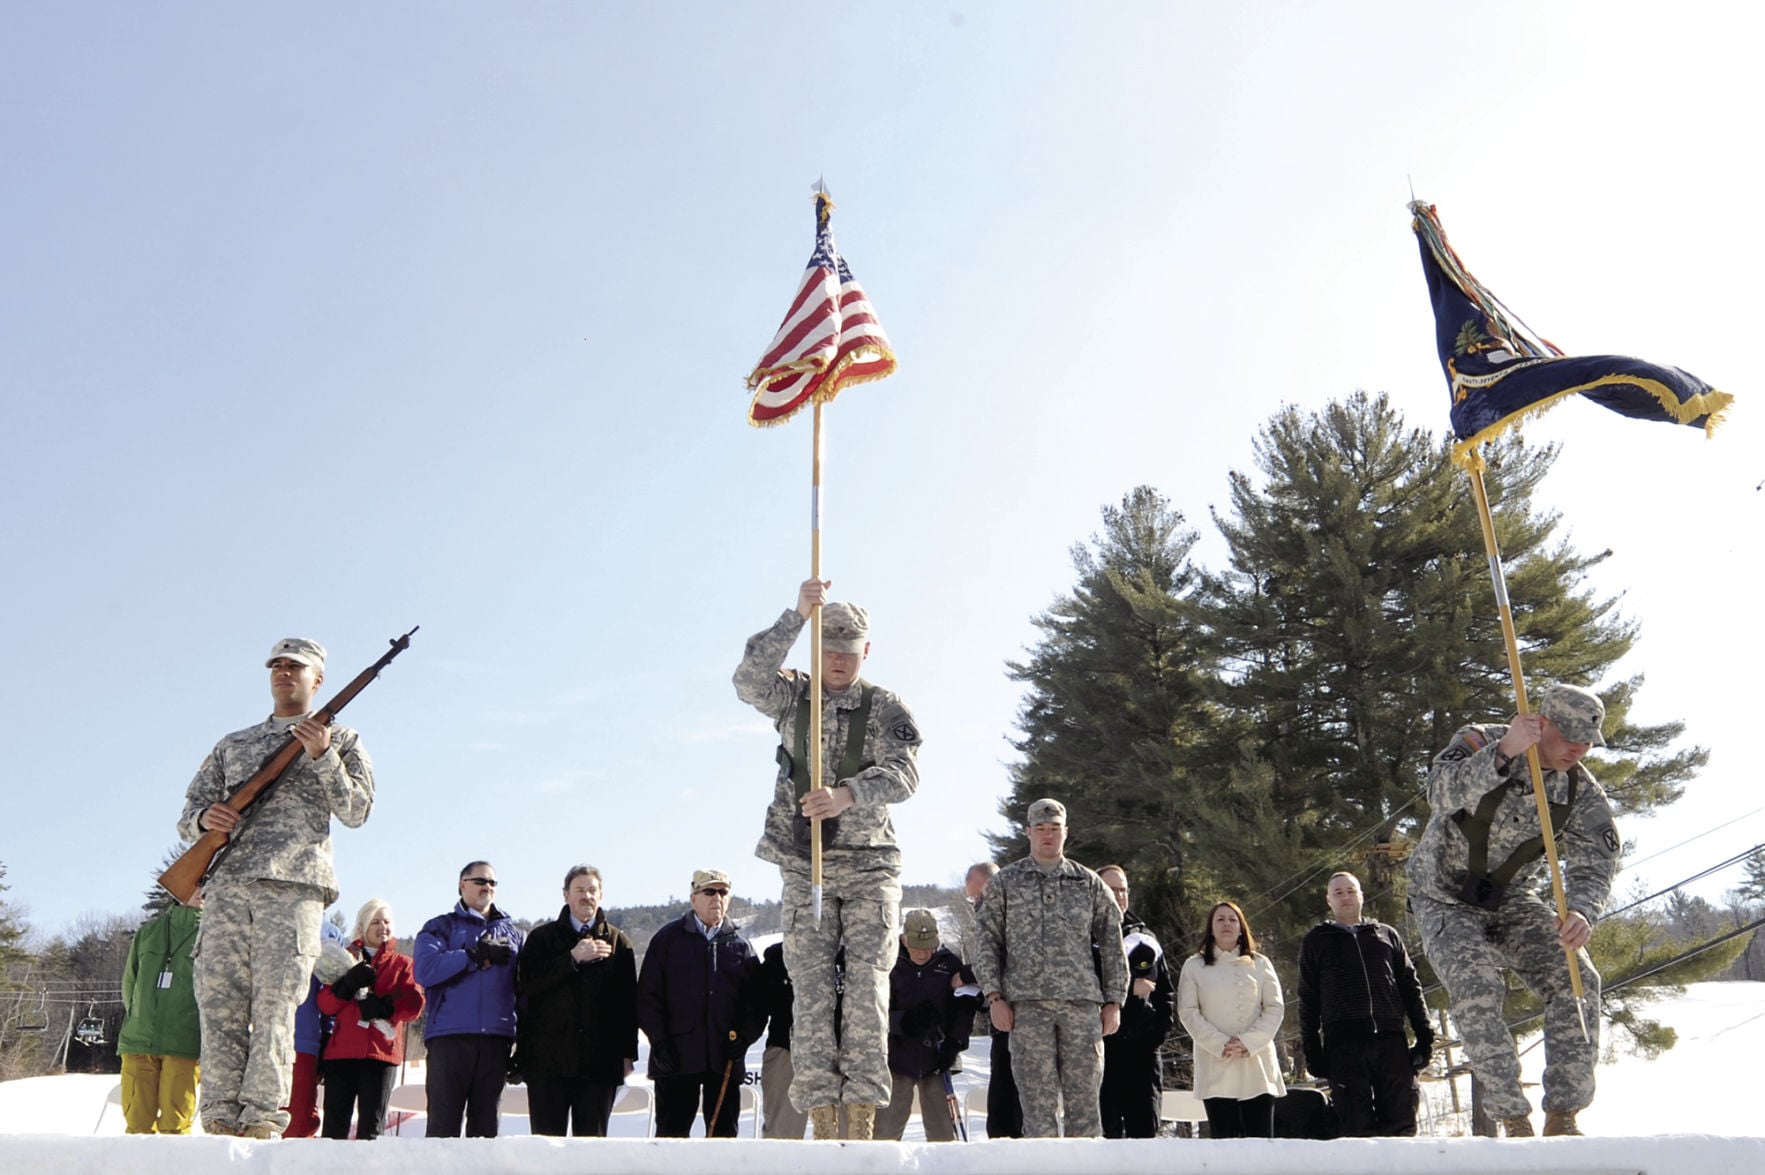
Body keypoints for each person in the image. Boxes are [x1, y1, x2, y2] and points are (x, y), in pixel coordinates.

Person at [733, 579, 924, 1140]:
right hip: (804, 863)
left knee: (867, 985)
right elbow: (747, 681)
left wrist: (847, 794)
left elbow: (906, 774)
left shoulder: (887, 707)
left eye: (849, 651)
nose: (839, 660)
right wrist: (796, 616)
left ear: (866, 651)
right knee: (810, 988)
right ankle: (820, 1107)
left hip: (869, 866)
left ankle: (862, 1110)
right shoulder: (793, 695)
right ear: (816, 651)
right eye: (829, 650)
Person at [175, 637, 374, 1138]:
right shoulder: (234, 744)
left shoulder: (342, 739)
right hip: (226, 889)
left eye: (296, 667)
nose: (284, 673)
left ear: (318, 680)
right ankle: (218, 1115)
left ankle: (262, 1117)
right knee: (220, 1004)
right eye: (278, 666)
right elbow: (187, 816)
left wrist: (323, 755)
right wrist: (205, 818)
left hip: (293, 888)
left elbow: (357, 812)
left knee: (276, 1007)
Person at [1408, 684, 1619, 1138]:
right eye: (1569, 738)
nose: (1578, 750)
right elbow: (1439, 793)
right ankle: (1512, 1118)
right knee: (1477, 984)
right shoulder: (1483, 741)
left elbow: (1596, 859)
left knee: (1577, 980)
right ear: (1543, 725)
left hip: (1508, 898)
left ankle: (1563, 1116)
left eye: (1587, 742)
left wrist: (1583, 910)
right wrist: (1503, 753)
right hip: (1442, 894)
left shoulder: (1579, 789)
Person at [973, 798, 1127, 1138]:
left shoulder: (1087, 883)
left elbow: (1113, 944)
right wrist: (994, 996)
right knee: (1036, 1109)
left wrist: (1114, 1001)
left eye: (1054, 829)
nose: (1047, 836)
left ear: (1065, 832)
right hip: (1027, 1009)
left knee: (1085, 1108)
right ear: (1028, 832)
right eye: (1041, 829)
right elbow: (985, 942)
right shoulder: (1006, 883)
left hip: (1082, 1007)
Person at [1297, 871, 1433, 1137]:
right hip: (1343, 1046)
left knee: (1401, 1123)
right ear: (1329, 901)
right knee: (1355, 1127)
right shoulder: (1317, 940)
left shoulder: (1387, 936)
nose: (1345, 896)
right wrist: (1312, 1050)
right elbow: (1308, 999)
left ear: (1361, 895)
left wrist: (1426, 1036)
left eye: (1350, 890)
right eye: (1338, 892)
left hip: (1391, 1040)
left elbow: (1410, 987)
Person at [636, 869, 763, 1137]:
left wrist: (745, 1037)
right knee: (671, 1139)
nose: (717, 897)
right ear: (694, 898)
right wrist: (659, 1042)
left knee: (724, 1139)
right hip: (675, 1059)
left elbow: (756, 1003)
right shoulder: (667, 940)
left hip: (724, 1059)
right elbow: (648, 996)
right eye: (709, 892)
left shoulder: (742, 947)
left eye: (723, 892)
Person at [516, 865, 639, 1137]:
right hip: (548, 1063)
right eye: (580, 890)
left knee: (591, 1153)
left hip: (600, 1064)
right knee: (546, 1149)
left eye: (592, 890)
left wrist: (628, 1054)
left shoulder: (620, 943)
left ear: (601, 895)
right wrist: (571, 959)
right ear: (566, 895)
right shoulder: (541, 939)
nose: (587, 896)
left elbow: (629, 1005)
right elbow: (527, 986)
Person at [413, 861, 524, 1138]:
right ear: (462, 885)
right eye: (480, 881)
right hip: (449, 1037)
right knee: (442, 1128)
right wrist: (472, 955)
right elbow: (425, 970)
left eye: (493, 883)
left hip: (496, 1039)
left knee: (486, 1131)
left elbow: (525, 992)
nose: (487, 887)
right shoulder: (439, 927)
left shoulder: (515, 935)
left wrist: (525, 1044)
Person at [315, 899, 424, 1140]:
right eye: (375, 921)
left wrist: (385, 1007)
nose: (382, 927)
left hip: (380, 1055)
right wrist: (347, 984)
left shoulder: (403, 964)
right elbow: (325, 1004)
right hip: (341, 1054)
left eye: (386, 921)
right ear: (363, 925)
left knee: (371, 1130)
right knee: (334, 1129)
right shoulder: (344, 958)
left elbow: (414, 1005)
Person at [1176, 900, 1286, 1138]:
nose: (1227, 924)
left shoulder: (1260, 963)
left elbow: (1274, 1007)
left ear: (1241, 926)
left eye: (1232, 919)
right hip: (1216, 1062)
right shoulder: (1194, 966)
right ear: (1211, 928)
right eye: (1220, 919)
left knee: (1259, 1143)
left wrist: (1248, 1042)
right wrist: (1220, 1044)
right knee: (1223, 1143)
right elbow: (1188, 1010)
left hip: (1256, 1063)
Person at [875, 909, 978, 1142]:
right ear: (904, 938)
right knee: (885, 1132)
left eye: (928, 946)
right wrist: (904, 1021)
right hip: (897, 1059)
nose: (923, 953)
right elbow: (874, 1010)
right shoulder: (889, 962)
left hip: (938, 1059)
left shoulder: (948, 963)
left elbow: (964, 1007)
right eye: (917, 946)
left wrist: (955, 1043)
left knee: (943, 1133)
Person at [1096, 865, 1175, 1139]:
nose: (1119, 896)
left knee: (1145, 1138)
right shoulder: (1081, 936)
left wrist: (1158, 1034)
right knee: (1105, 1138)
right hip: (1100, 1050)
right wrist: (1129, 989)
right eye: (1111, 889)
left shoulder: (1145, 936)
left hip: (1143, 1052)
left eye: (1123, 890)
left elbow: (1165, 992)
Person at [117, 893, 203, 1134]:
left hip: (184, 1044)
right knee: (137, 1124)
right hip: (138, 1042)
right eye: (198, 884)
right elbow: (129, 983)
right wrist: (137, 1019)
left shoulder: (215, 934)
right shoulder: (149, 933)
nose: (203, 892)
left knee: (175, 1125)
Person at [285, 917, 347, 1138]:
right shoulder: (262, 915)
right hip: (260, 1038)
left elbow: (330, 990)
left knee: (298, 1120)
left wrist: (327, 1037)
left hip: (303, 1040)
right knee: (256, 1118)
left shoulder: (328, 932)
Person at [752, 942, 808, 1139]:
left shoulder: (854, 953)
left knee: (846, 1144)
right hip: (787, 1050)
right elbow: (754, 1008)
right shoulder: (779, 957)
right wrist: (737, 1039)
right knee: (782, 1138)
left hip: (844, 1055)